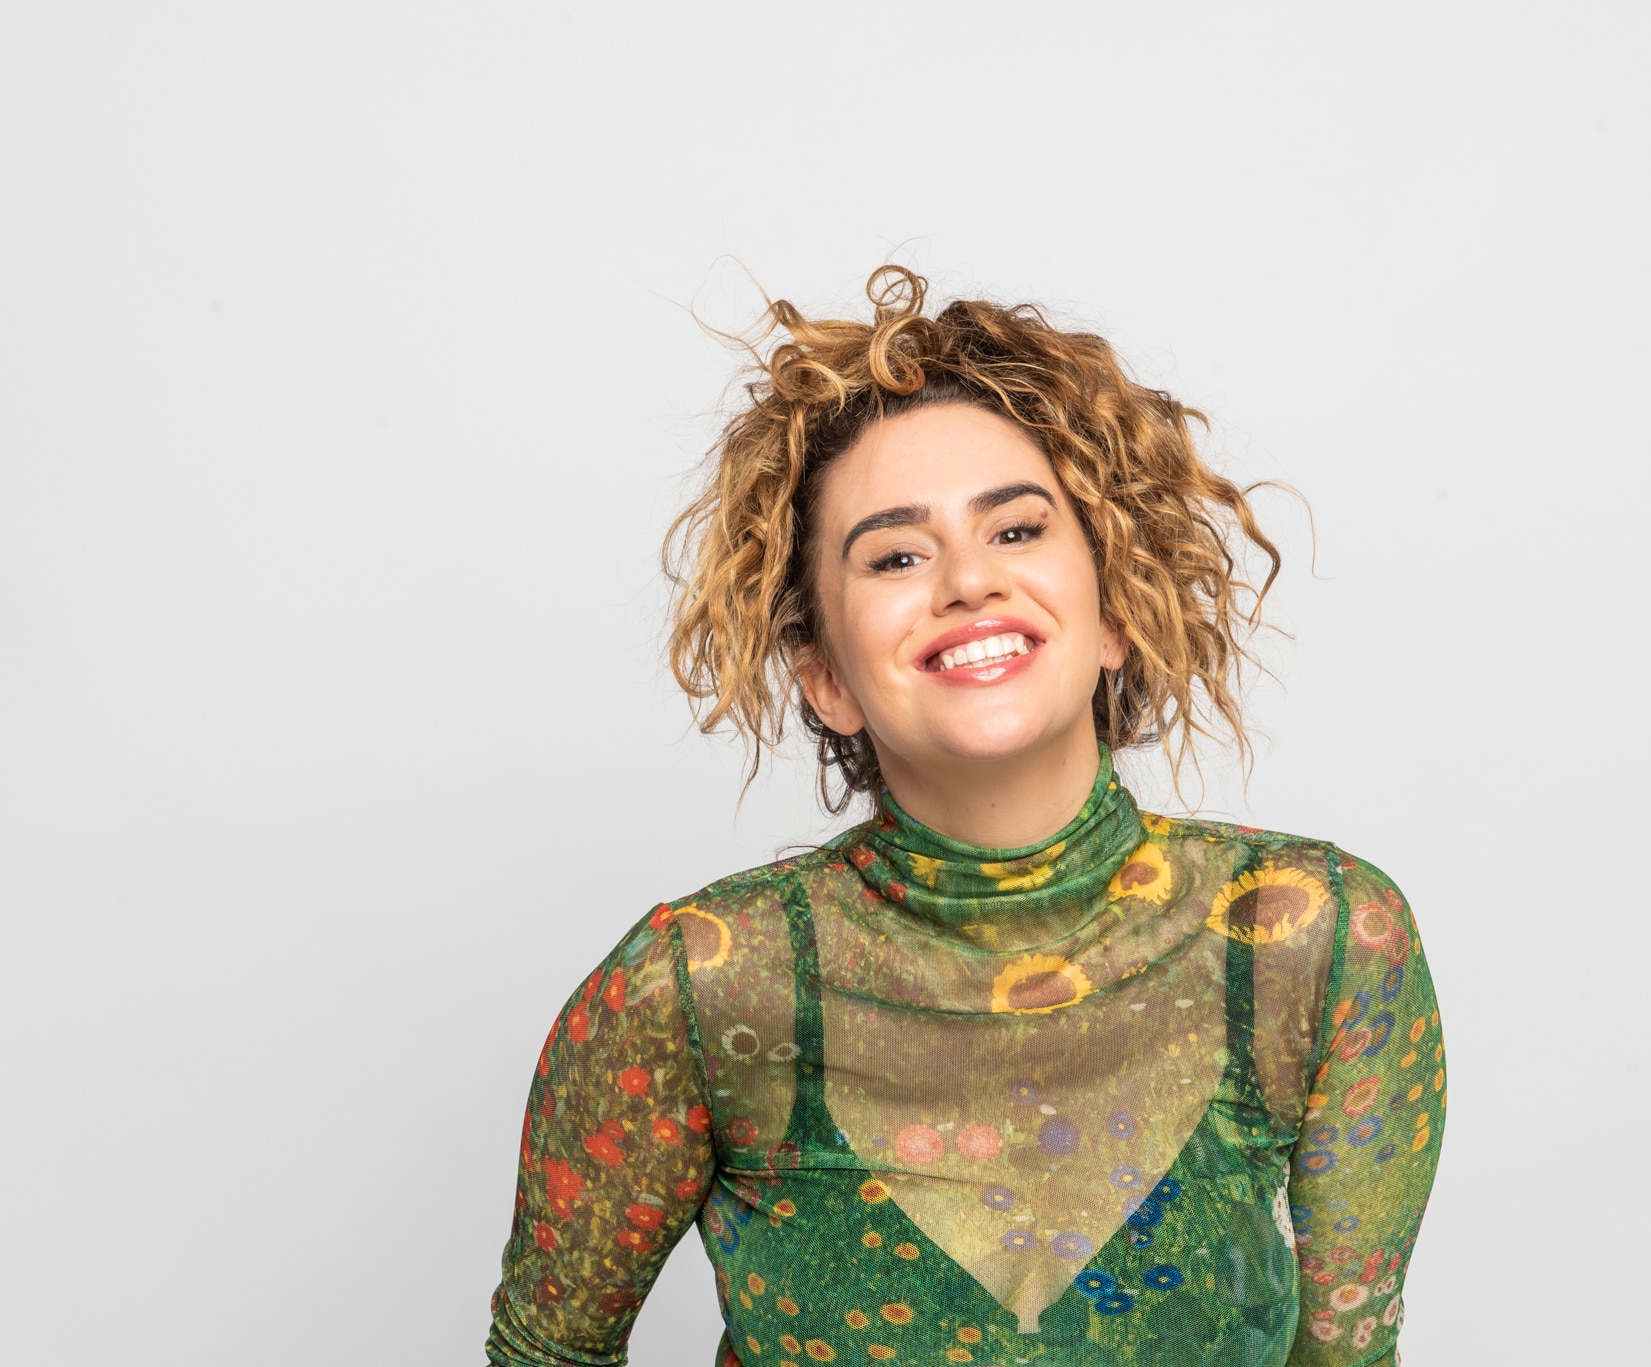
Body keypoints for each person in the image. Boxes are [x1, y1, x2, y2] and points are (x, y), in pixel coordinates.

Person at [485, 266, 1446, 1367]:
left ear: (1113, 614)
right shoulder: (698, 986)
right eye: (894, 554)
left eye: (1018, 530)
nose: (964, 581)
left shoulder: (1305, 943)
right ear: (827, 678)